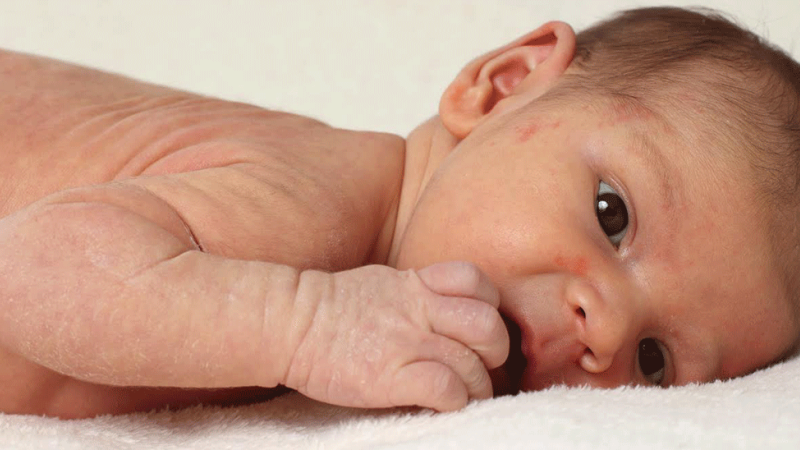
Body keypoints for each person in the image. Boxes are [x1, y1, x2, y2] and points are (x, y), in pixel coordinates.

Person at [0, 6, 798, 419]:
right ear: (503, 85)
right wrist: (304, 322)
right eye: (610, 213)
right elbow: (27, 272)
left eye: (656, 362)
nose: (610, 329)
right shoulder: (319, 201)